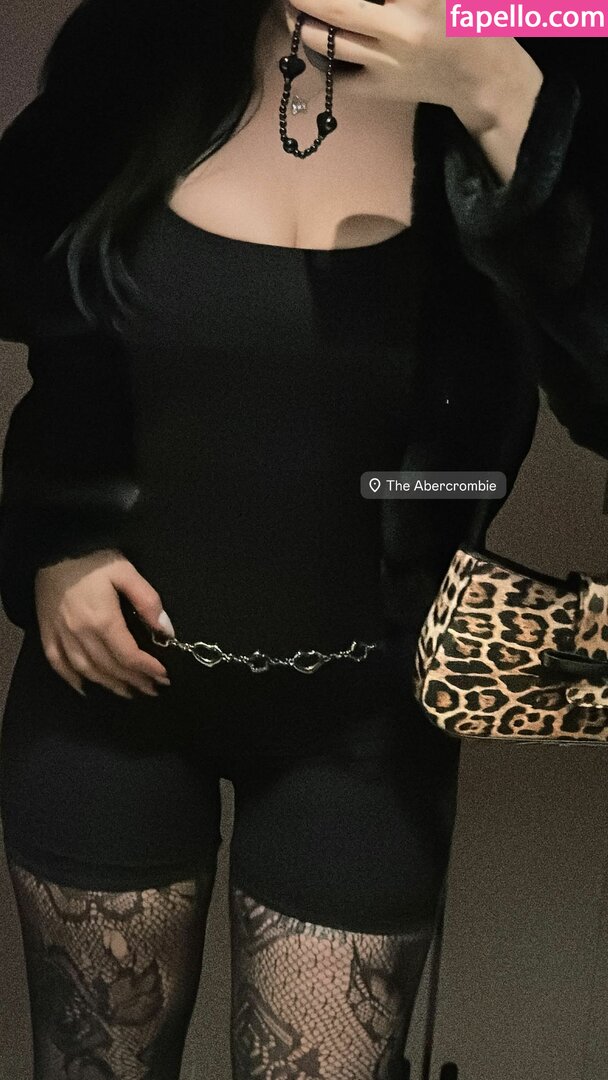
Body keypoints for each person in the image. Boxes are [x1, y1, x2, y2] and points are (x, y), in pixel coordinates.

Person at [0, 1, 606, 1077]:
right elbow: (58, 327)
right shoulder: (141, 49)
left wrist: (498, 95)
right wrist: (55, 536)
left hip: (368, 723)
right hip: (105, 701)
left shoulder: (541, 46)